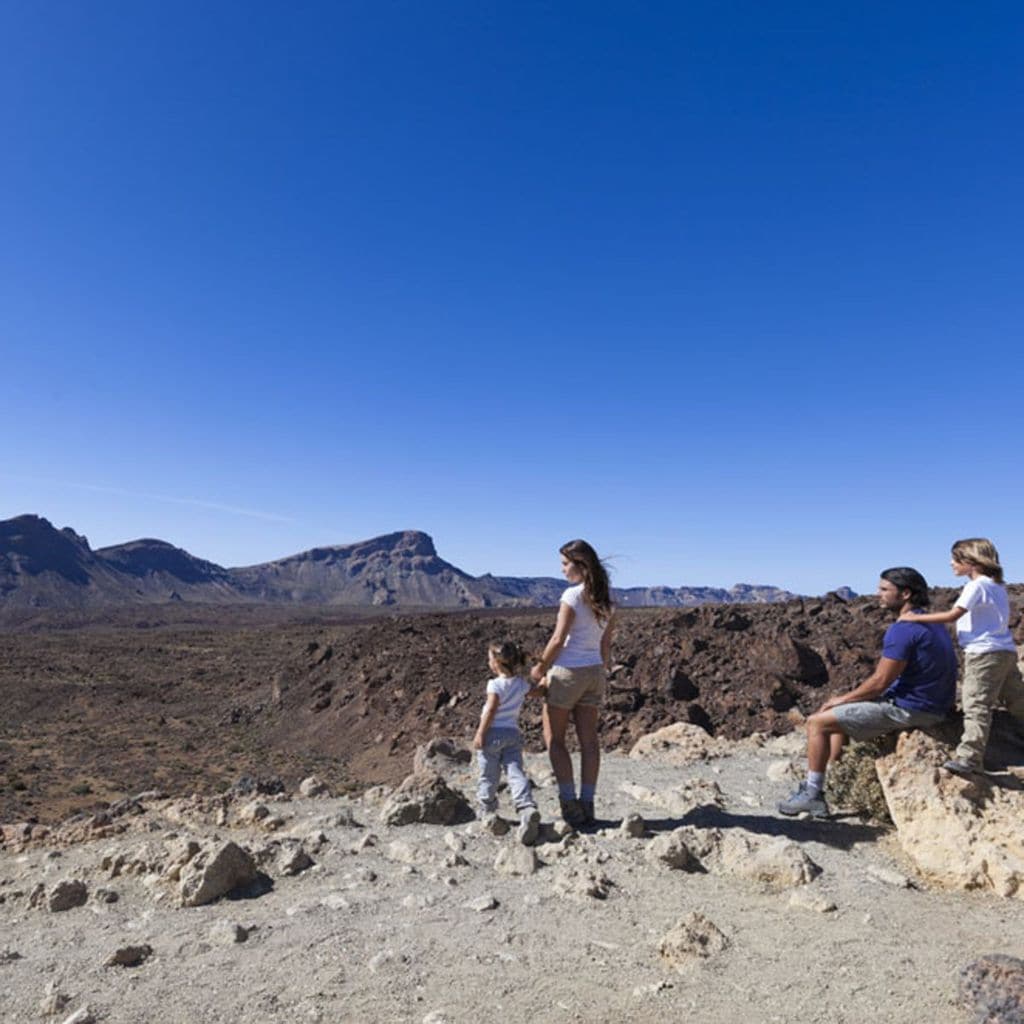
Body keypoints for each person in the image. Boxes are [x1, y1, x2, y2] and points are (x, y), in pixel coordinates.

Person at [778, 567, 956, 818]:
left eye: (884, 589)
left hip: (912, 708)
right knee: (836, 718)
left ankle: (812, 794)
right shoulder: (932, 622)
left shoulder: (903, 630)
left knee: (818, 722)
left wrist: (841, 698)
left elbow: (880, 681)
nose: (877, 594)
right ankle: (832, 782)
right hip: (934, 703)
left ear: (905, 594)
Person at [898, 538, 1024, 776]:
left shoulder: (975, 586)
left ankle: (970, 758)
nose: (951, 563)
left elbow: (952, 615)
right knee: (1018, 700)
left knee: (975, 705)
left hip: (983, 654)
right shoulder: (997, 587)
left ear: (972, 562)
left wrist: (914, 618)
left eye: (956, 559)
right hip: (1005, 651)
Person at [530, 539, 615, 829]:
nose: (563, 570)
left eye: (566, 564)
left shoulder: (572, 596)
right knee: (589, 741)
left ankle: (569, 805)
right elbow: (605, 646)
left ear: (581, 565)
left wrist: (539, 669)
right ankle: (588, 803)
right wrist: (600, 671)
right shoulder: (606, 600)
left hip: (567, 672)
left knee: (555, 739)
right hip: (594, 674)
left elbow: (557, 639)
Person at [473, 639, 543, 845]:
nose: (488, 663)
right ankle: (526, 807)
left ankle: (487, 810)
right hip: (513, 734)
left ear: (497, 663)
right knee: (515, 772)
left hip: (492, 734)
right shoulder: (521, 684)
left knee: (488, 774)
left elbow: (492, 709)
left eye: (489, 659)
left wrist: (480, 733)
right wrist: (545, 677)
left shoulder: (494, 685)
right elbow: (538, 692)